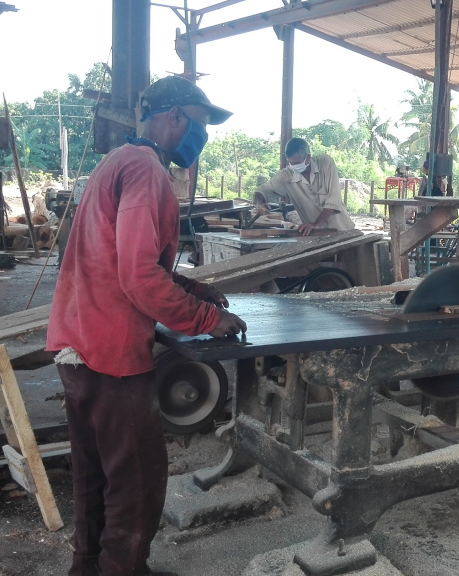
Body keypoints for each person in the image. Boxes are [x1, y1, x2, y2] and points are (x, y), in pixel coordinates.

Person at [46, 75, 248, 576]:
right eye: (200, 125)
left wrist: (190, 287)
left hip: (77, 343)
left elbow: (119, 257)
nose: (200, 138)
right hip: (112, 351)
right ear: (175, 116)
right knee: (136, 483)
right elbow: (137, 276)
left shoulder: (115, 162)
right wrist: (206, 318)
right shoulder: (147, 173)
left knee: (94, 473)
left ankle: (87, 567)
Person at [252, 138, 355, 236]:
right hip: (315, 236)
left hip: (343, 231)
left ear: (308, 157)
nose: (294, 166)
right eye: (290, 163)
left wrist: (315, 224)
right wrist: (259, 203)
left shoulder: (325, 164)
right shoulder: (286, 176)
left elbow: (333, 202)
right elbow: (262, 191)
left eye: (297, 163)